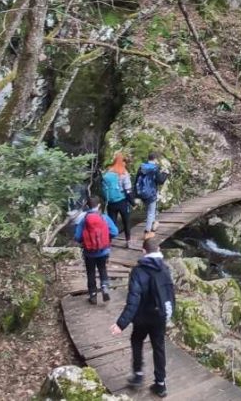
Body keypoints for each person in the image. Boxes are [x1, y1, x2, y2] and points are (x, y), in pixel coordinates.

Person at [110, 238, 175, 398]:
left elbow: (133, 300)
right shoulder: (165, 269)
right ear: (158, 249)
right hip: (159, 317)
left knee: (137, 341)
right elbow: (170, 295)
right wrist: (169, 315)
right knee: (159, 348)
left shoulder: (138, 271)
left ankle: (138, 375)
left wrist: (121, 324)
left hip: (141, 318)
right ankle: (160, 384)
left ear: (143, 251)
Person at [74, 196, 119, 305]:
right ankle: (104, 287)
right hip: (103, 251)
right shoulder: (104, 218)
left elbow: (77, 236)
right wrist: (105, 237)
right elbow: (115, 231)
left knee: (91, 272)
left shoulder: (83, 220)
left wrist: (84, 240)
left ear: (87, 206)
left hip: (89, 253)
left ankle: (93, 295)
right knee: (102, 269)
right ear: (98, 205)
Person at [102, 152, 134, 248]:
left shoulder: (108, 172)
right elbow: (128, 190)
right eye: (124, 161)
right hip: (122, 201)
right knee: (126, 221)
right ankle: (128, 241)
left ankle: (108, 242)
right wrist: (132, 202)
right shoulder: (124, 173)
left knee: (112, 222)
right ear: (122, 162)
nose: (125, 163)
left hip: (111, 202)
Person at [135, 154, 169, 237]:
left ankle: (153, 224)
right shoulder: (155, 168)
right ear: (155, 159)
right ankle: (147, 232)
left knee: (151, 210)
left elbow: (136, 180)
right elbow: (160, 181)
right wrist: (165, 174)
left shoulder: (142, 167)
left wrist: (136, 193)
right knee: (151, 212)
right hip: (151, 193)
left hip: (142, 193)